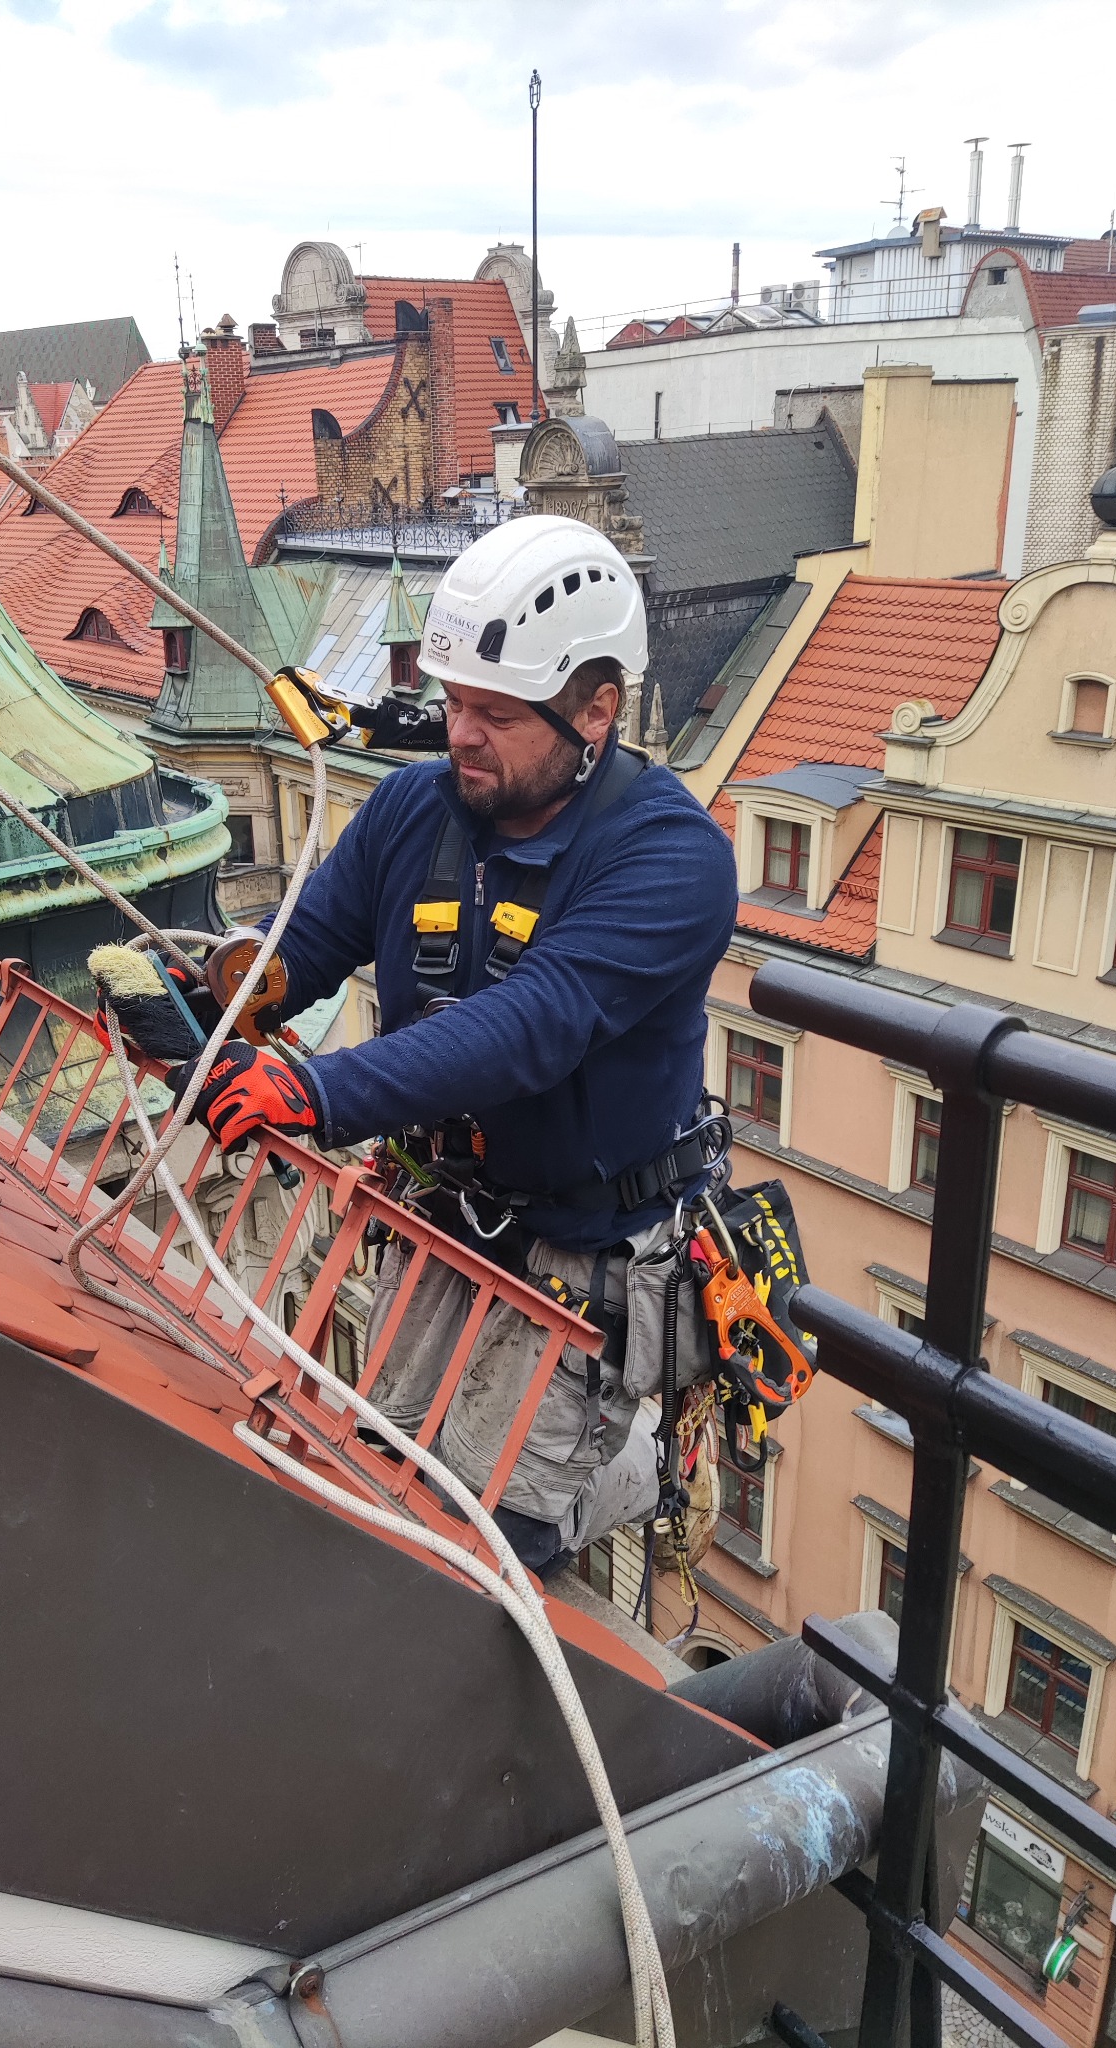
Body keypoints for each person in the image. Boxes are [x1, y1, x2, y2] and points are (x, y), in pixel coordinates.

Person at [186, 515, 738, 1573]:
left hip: (588, 1246)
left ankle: (636, 1472)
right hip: (449, 1211)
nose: (460, 735)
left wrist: (311, 1091)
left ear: (597, 708)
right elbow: (307, 939)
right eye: (451, 703)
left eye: (495, 712)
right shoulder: (413, 811)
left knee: (499, 1532)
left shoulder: (672, 857)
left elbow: (536, 1024)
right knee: (373, 1460)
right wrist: (226, 988)